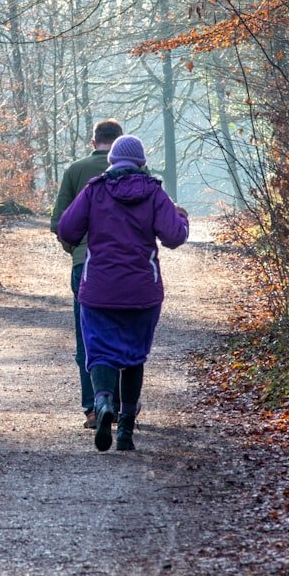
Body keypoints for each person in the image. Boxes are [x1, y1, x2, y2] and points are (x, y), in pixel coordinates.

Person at [56, 134, 189, 451]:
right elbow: (173, 236)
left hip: (99, 288)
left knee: (99, 351)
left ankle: (103, 404)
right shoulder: (155, 193)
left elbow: (67, 229)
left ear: (113, 161)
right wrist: (181, 217)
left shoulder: (95, 190)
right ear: (141, 163)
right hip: (141, 291)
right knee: (133, 357)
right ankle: (126, 430)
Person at [50, 119, 122, 429]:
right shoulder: (135, 172)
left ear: (94, 142)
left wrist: (75, 248)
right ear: (119, 143)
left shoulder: (75, 170)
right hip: (124, 268)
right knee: (122, 335)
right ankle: (118, 405)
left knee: (88, 338)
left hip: (86, 266)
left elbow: (58, 221)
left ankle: (94, 406)